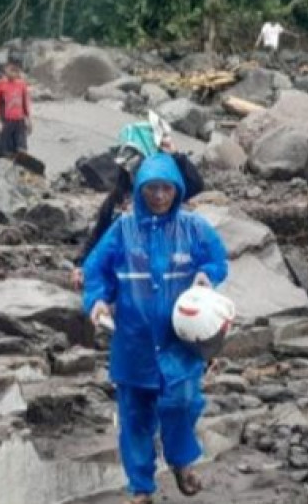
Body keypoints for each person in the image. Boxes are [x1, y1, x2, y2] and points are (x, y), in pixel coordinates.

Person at [83, 153, 229, 503]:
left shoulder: (194, 228)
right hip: (133, 344)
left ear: (177, 190)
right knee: (135, 418)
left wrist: (208, 276)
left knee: (183, 402)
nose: (160, 196)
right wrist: (97, 301)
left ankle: (180, 460)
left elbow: (217, 259)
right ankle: (141, 488)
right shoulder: (122, 229)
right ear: (140, 191)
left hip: (180, 343)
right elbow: (95, 271)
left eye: (166, 188)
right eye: (152, 189)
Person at [74, 124, 204, 289]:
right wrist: (81, 265)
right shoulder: (118, 200)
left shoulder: (164, 195)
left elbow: (195, 184)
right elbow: (99, 235)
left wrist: (176, 155)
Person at [0, 59, 31, 157]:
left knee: (21, 150)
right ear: (6, 69)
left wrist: (29, 120)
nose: (14, 73)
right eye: (11, 70)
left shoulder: (22, 84)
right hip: (6, 121)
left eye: (16, 71)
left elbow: (25, 103)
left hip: (20, 121)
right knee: (5, 151)